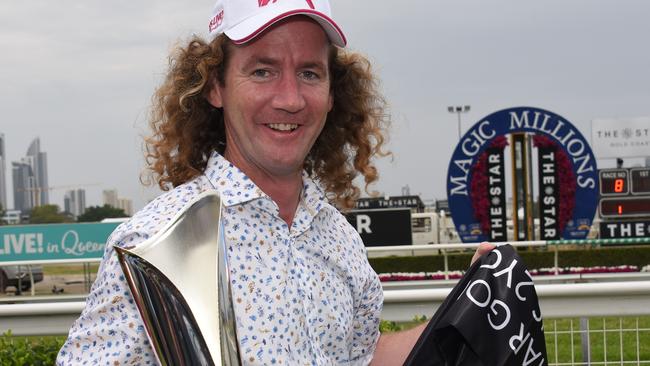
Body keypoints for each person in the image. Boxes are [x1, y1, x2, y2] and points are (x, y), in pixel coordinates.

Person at [57, 0, 493, 364]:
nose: (289, 99)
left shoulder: (339, 238)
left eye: (309, 73)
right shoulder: (155, 244)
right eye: (262, 71)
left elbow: (359, 358)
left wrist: (464, 309)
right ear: (216, 87)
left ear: (331, 93)